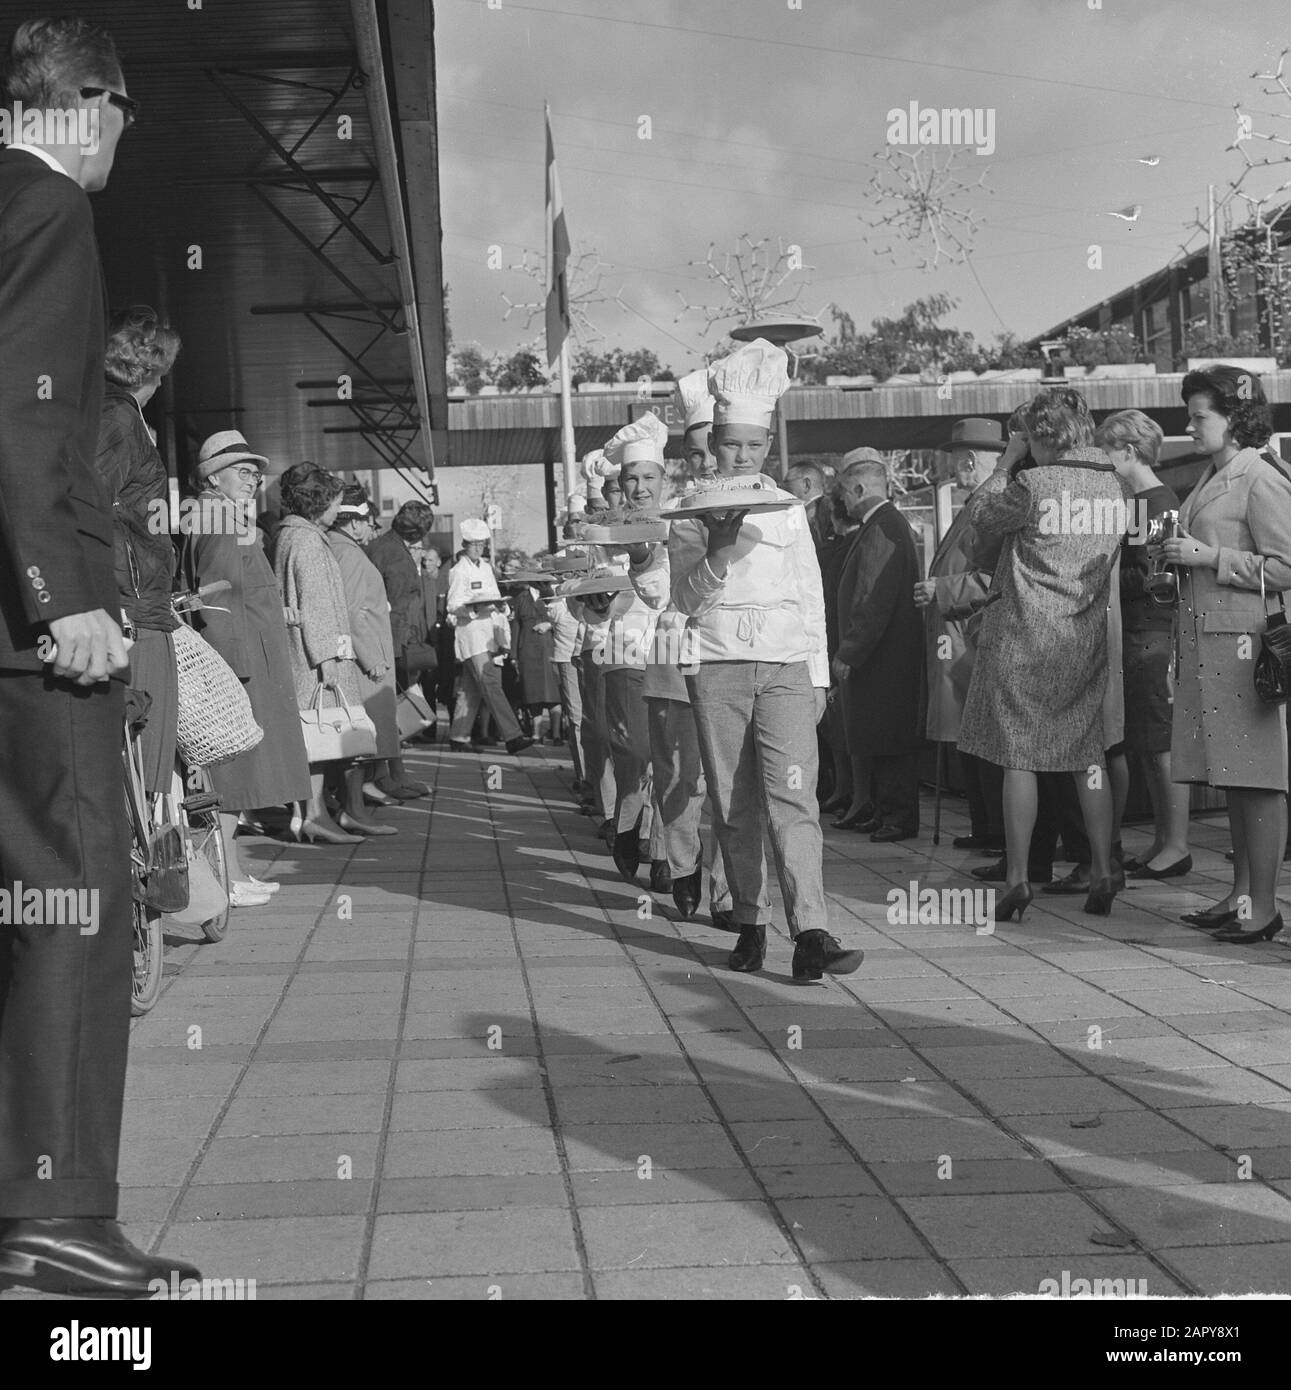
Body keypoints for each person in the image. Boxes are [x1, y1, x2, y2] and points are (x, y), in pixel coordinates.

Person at [0, 15, 200, 1295]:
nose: (129, 133)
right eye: (125, 109)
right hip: (34, 639)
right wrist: (60, 590)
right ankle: (58, 1216)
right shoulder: (43, 206)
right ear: (84, 102)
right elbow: (22, 408)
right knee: (73, 901)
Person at [668, 339, 864, 980]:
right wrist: (719, 550)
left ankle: (812, 931)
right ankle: (749, 923)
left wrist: (815, 674)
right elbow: (683, 600)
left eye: (755, 445)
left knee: (795, 797)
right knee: (732, 801)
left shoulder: (786, 511)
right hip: (718, 668)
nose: (744, 456)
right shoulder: (690, 514)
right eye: (732, 445)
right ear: (713, 444)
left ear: (768, 445)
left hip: (784, 669)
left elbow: (811, 594)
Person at [958, 388, 1130, 921]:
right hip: (1082, 636)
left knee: (1020, 759)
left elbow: (981, 516)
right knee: (1088, 757)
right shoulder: (1114, 487)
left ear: (1042, 436)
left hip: (1024, 637)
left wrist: (1008, 462)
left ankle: (1017, 878)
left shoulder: (1033, 483)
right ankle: (1102, 866)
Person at [1161, 365, 1291, 943]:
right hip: (1214, 649)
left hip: (1246, 651)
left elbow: (1288, 567)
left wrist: (1208, 557)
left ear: (1234, 419)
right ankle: (1241, 895)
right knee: (1235, 779)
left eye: (1199, 416)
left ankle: (1261, 906)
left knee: (1258, 778)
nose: (1189, 426)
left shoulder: (1260, 478)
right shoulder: (1218, 474)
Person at [628, 374, 754, 926]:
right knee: (678, 777)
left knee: (731, 784)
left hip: (734, 661)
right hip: (676, 662)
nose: (707, 464)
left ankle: (729, 893)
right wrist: (638, 560)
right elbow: (660, 592)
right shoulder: (676, 513)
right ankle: (683, 865)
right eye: (697, 454)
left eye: (713, 451)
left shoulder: (762, 505)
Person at [181, 430, 312, 891]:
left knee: (240, 778)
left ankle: (233, 875)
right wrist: (230, 674)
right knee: (236, 777)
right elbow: (215, 600)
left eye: (256, 472)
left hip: (247, 663)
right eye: (243, 470)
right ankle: (229, 880)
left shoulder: (219, 515)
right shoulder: (219, 519)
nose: (253, 479)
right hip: (242, 668)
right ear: (212, 477)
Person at [1094, 409, 1191, 879]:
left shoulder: (1148, 505)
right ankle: (1164, 840)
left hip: (1149, 633)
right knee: (1150, 743)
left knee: (1159, 741)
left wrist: (1102, 570)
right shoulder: (1152, 502)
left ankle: (1175, 842)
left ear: (1128, 452)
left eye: (1108, 452)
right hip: (1145, 631)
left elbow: (1153, 577)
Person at [92, 307, 183, 801]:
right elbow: (87, 505)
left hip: (137, 604)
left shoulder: (116, 416)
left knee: (147, 756)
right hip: (133, 611)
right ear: (152, 372)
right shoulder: (119, 418)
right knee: (144, 759)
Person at [913, 418, 1009, 852]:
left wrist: (942, 590)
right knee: (967, 741)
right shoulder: (976, 502)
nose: (953, 465)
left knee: (982, 741)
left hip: (973, 639)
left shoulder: (991, 503)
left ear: (970, 459)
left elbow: (996, 577)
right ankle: (984, 826)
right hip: (958, 638)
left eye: (956, 457)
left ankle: (997, 831)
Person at [833, 454, 924, 841]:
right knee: (879, 735)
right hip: (883, 657)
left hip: (884, 659)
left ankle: (898, 817)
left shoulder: (883, 528)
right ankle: (886, 811)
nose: (843, 503)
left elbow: (872, 599)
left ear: (859, 488)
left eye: (844, 494)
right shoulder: (884, 525)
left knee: (889, 737)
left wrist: (848, 653)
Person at [273, 462, 365, 843]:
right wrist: (327, 656)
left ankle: (309, 814)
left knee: (314, 738)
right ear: (318, 502)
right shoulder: (308, 541)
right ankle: (315, 816)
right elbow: (315, 603)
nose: (337, 510)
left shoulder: (292, 535)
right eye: (333, 502)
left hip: (303, 654)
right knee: (319, 738)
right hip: (316, 659)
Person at [325, 488, 399, 835]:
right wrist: (372, 658)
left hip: (355, 654)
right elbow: (353, 612)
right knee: (360, 737)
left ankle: (350, 806)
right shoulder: (350, 555)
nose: (371, 528)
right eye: (368, 521)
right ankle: (354, 810)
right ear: (353, 523)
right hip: (364, 659)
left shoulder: (339, 548)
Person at [364, 500, 434, 799]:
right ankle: (387, 776)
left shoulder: (380, 546)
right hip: (389, 641)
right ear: (420, 533)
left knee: (386, 710)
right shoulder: (396, 555)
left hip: (385, 638)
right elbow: (397, 605)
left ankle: (393, 773)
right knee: (385, 710)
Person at [447, 519, 532, 754]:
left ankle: (458, 736)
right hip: (471, 635)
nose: (478, 548)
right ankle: (513, 736)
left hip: (489, 635)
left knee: (471, 689)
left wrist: (502, 608)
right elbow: (452, 605)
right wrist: (474, 608)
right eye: (473, 544)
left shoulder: (486, 568)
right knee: (491, 685)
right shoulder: (458, 571)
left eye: (481, 544)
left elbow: (495, 596)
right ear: (464, 544)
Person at [784, 460, 834, 548]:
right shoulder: (830, 508)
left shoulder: (822, 511)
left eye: (787, 482)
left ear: (807, 484)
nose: (783, 488)